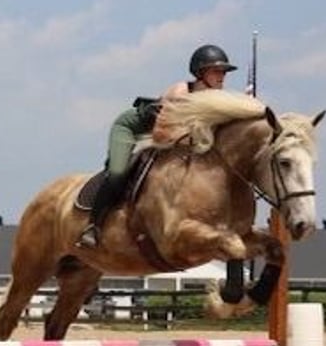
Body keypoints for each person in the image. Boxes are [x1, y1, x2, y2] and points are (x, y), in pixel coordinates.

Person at [76, 44, 239, 248]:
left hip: (166, 138)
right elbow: (162, 134)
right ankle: (93, 226)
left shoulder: (215, 99)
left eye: (223, 72)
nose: (222, 76)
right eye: (216, 71)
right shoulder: (181, 93)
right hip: (133, 129)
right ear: (200, 72)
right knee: (118, 172)